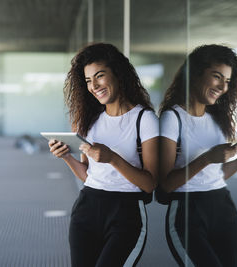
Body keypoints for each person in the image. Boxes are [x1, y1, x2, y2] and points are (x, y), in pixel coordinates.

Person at [159, 44, 237, 267]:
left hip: (222, 207)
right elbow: (165, 185)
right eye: (217, 77)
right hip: (187, 212)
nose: (223, 86)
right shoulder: (172, 118)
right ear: (195, 73)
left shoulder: (217, 120)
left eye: (228, 81)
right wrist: (207, 158)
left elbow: (215, 176)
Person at [48, 43, 159, 267]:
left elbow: (150, 184)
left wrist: (113, 159)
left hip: (126, 213)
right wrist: (66, 157)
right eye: (88, 80)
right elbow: (89, 176)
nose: (94, 85)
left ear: (118, 74)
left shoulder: (144, 119)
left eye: (99, 76)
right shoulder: (90, 121)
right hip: (87, 208)